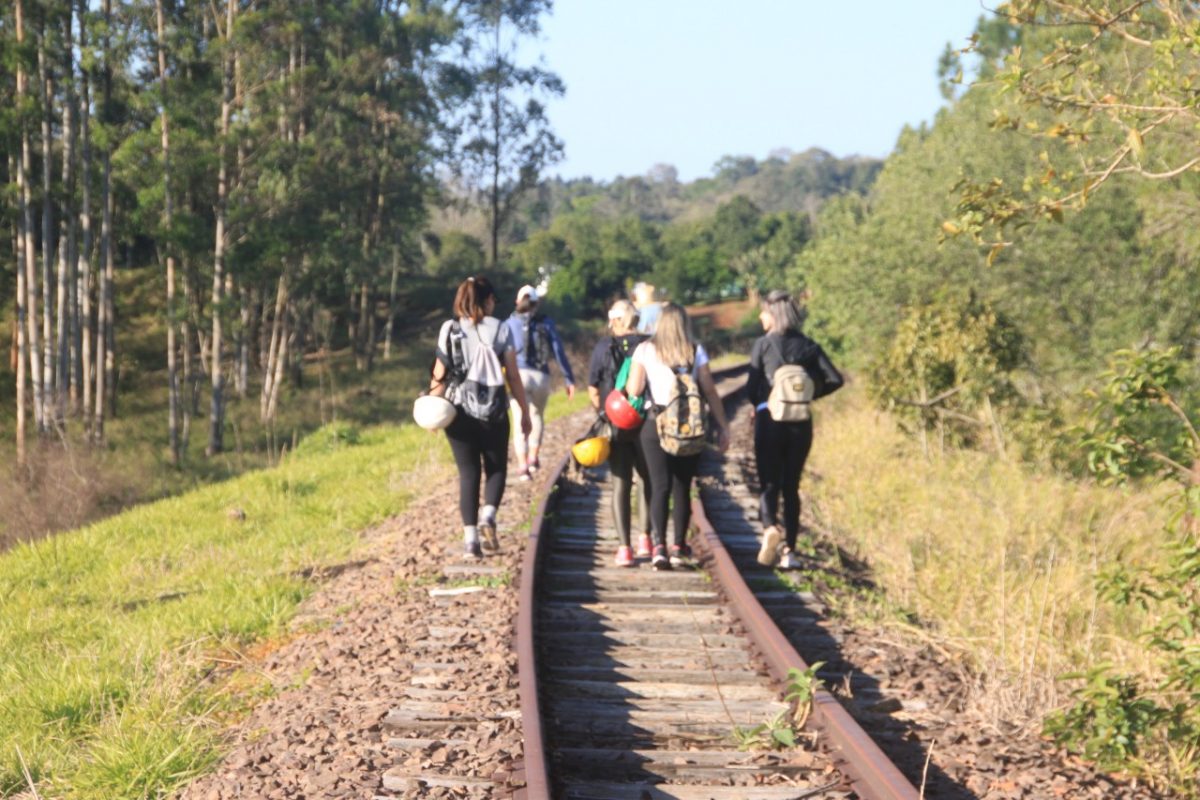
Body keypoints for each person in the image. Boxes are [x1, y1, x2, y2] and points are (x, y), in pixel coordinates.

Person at [429, 276, 531, 560]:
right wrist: (524, 411)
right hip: (494, 412)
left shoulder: (448, 329)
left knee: (468, 473)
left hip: (458, 412)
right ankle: (489, 515)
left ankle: (471, 542)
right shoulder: (501, 328)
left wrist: (433, 410)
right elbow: (512, 374)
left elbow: (440, 373)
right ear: (487, 300)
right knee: (496, 467)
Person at [624, 302, 730, 570]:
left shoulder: (645, 349)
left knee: (659, 485)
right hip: (688, 428)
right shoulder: (695, 351)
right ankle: (678, 547)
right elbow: (709, 390)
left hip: (654, 424)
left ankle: (658, 547)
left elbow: (634, 390)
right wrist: (722, 425)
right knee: (682, 485)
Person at [746, 289, 843, 569]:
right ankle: (790, 552)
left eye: (763, 311)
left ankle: (769, 528)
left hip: (769, 421)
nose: (760, 316)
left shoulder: (763, 346)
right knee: (791, 486)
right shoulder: (808, 346)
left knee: (769, 483)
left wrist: (764, 400)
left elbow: (752, 390)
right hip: (801, 424)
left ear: (773, 314)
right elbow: (835, 379)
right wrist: (809, 394)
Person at [587, 299, 652, 567]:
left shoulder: (604, 347)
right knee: (646, 479)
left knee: (620, 483)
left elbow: (592, 389)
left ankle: (624, 548)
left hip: (615, 423)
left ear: (615, 320)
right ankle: (646, 538)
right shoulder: (649, 344)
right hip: (646, 422)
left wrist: (607, 409)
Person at [505, 285, 576, 480]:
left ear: (517, 302)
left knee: (520, 417)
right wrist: (568, 379)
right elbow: (558, 351)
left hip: (517, 375)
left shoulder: (509, 323)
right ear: (537, 304)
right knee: (536, 415)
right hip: (540, 376)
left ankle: (522, 466)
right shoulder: (546, 323)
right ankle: (533, 458)